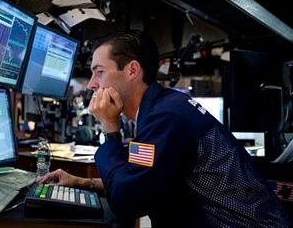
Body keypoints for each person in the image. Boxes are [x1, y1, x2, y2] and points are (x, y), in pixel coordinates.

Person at [38, 30, 291, 227]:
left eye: (99, 72)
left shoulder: (165, 117)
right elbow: (145, 178)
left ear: (132, 70)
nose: (92, 84)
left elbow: (128, 201)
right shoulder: (164, 107)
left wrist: (110, 129)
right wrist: (85, 182)